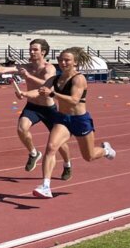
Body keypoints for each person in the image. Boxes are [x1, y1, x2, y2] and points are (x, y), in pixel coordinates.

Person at [32, 47, 115, 199]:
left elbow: (74, 100)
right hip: (63, 119)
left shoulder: (79, 79)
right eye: (60, 60)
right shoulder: (56, 79)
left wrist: (52, 94)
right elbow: (41, 90)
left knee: (88, 156)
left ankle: (106, 151)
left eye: (67, 60)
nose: (63, 63)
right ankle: (45, 186)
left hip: (80, 120)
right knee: (51, 148)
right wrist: (24, 94)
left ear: (75, 62)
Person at [0, 39, 72, 178]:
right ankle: (34, 153)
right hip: (32, 106)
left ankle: (67, 164)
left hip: (49, 109)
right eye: (30, 49)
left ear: (43, 52)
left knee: (60, 142)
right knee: (21, 128)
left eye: (35, 50)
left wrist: (28, 77)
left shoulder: (49, 68)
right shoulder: (26, 66)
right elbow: (4, 69)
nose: (31, 52)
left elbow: (47, 85)